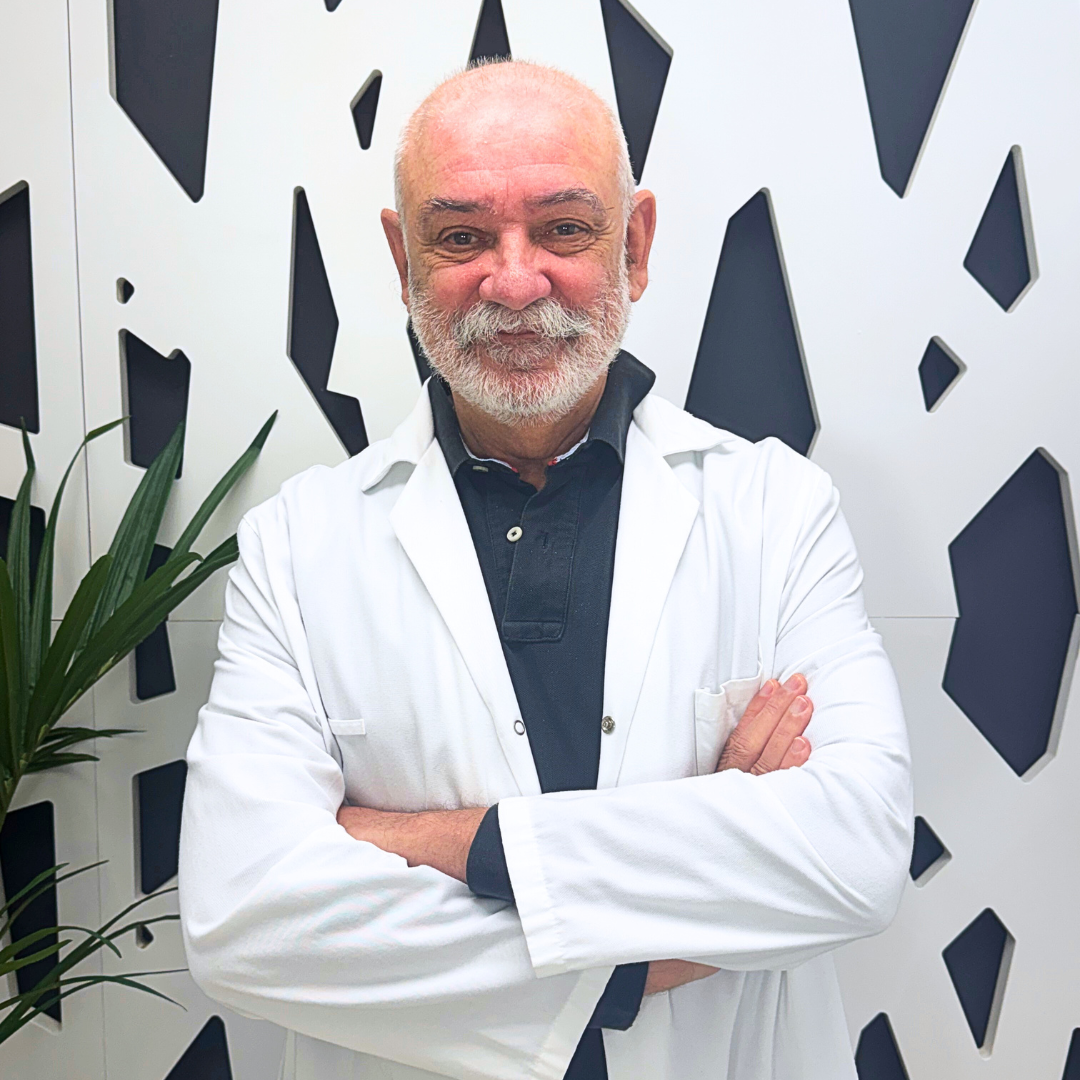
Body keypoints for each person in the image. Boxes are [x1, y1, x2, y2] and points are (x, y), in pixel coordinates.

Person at [179, 60, 913, 1080]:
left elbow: (857, 855)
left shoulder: (777, 512)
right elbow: (241, 921)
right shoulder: (296, 548)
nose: (514, 283)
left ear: (634, 246)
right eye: (461, 237)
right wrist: (642, 955)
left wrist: (435, 839)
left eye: (564, 229)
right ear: (401, 257)